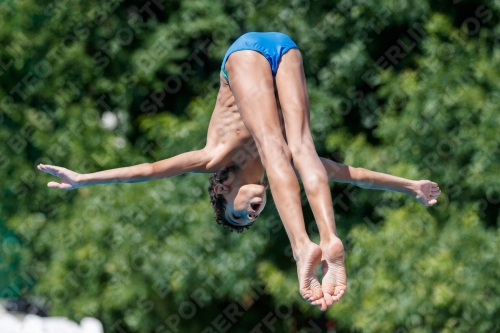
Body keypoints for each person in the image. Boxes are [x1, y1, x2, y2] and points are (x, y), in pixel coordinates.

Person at [37, 32, 441, 311]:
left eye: (238, 211)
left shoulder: (214, 159)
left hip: (243, 54)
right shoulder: (271, 171)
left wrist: (85, 178)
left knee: (275, 145)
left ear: (223, 189)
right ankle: (329, 239)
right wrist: (409, 185)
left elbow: (149, 169)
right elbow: (352, 174)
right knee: (305, 153)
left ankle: (303, 246)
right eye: (252, 217)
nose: (251, 213)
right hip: (285, 47)